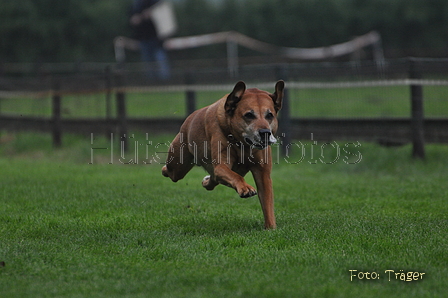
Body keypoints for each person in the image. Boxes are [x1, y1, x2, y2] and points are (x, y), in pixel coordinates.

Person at [130, 0, 171, 80]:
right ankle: (151, 82)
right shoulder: (137, 5)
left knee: (160, 60)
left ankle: (165, 81)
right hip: (143, 39)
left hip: (157, 39)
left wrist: (152, 14)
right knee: (148, 62)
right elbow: (132, 19)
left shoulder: (155, 2)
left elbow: (163, 16)